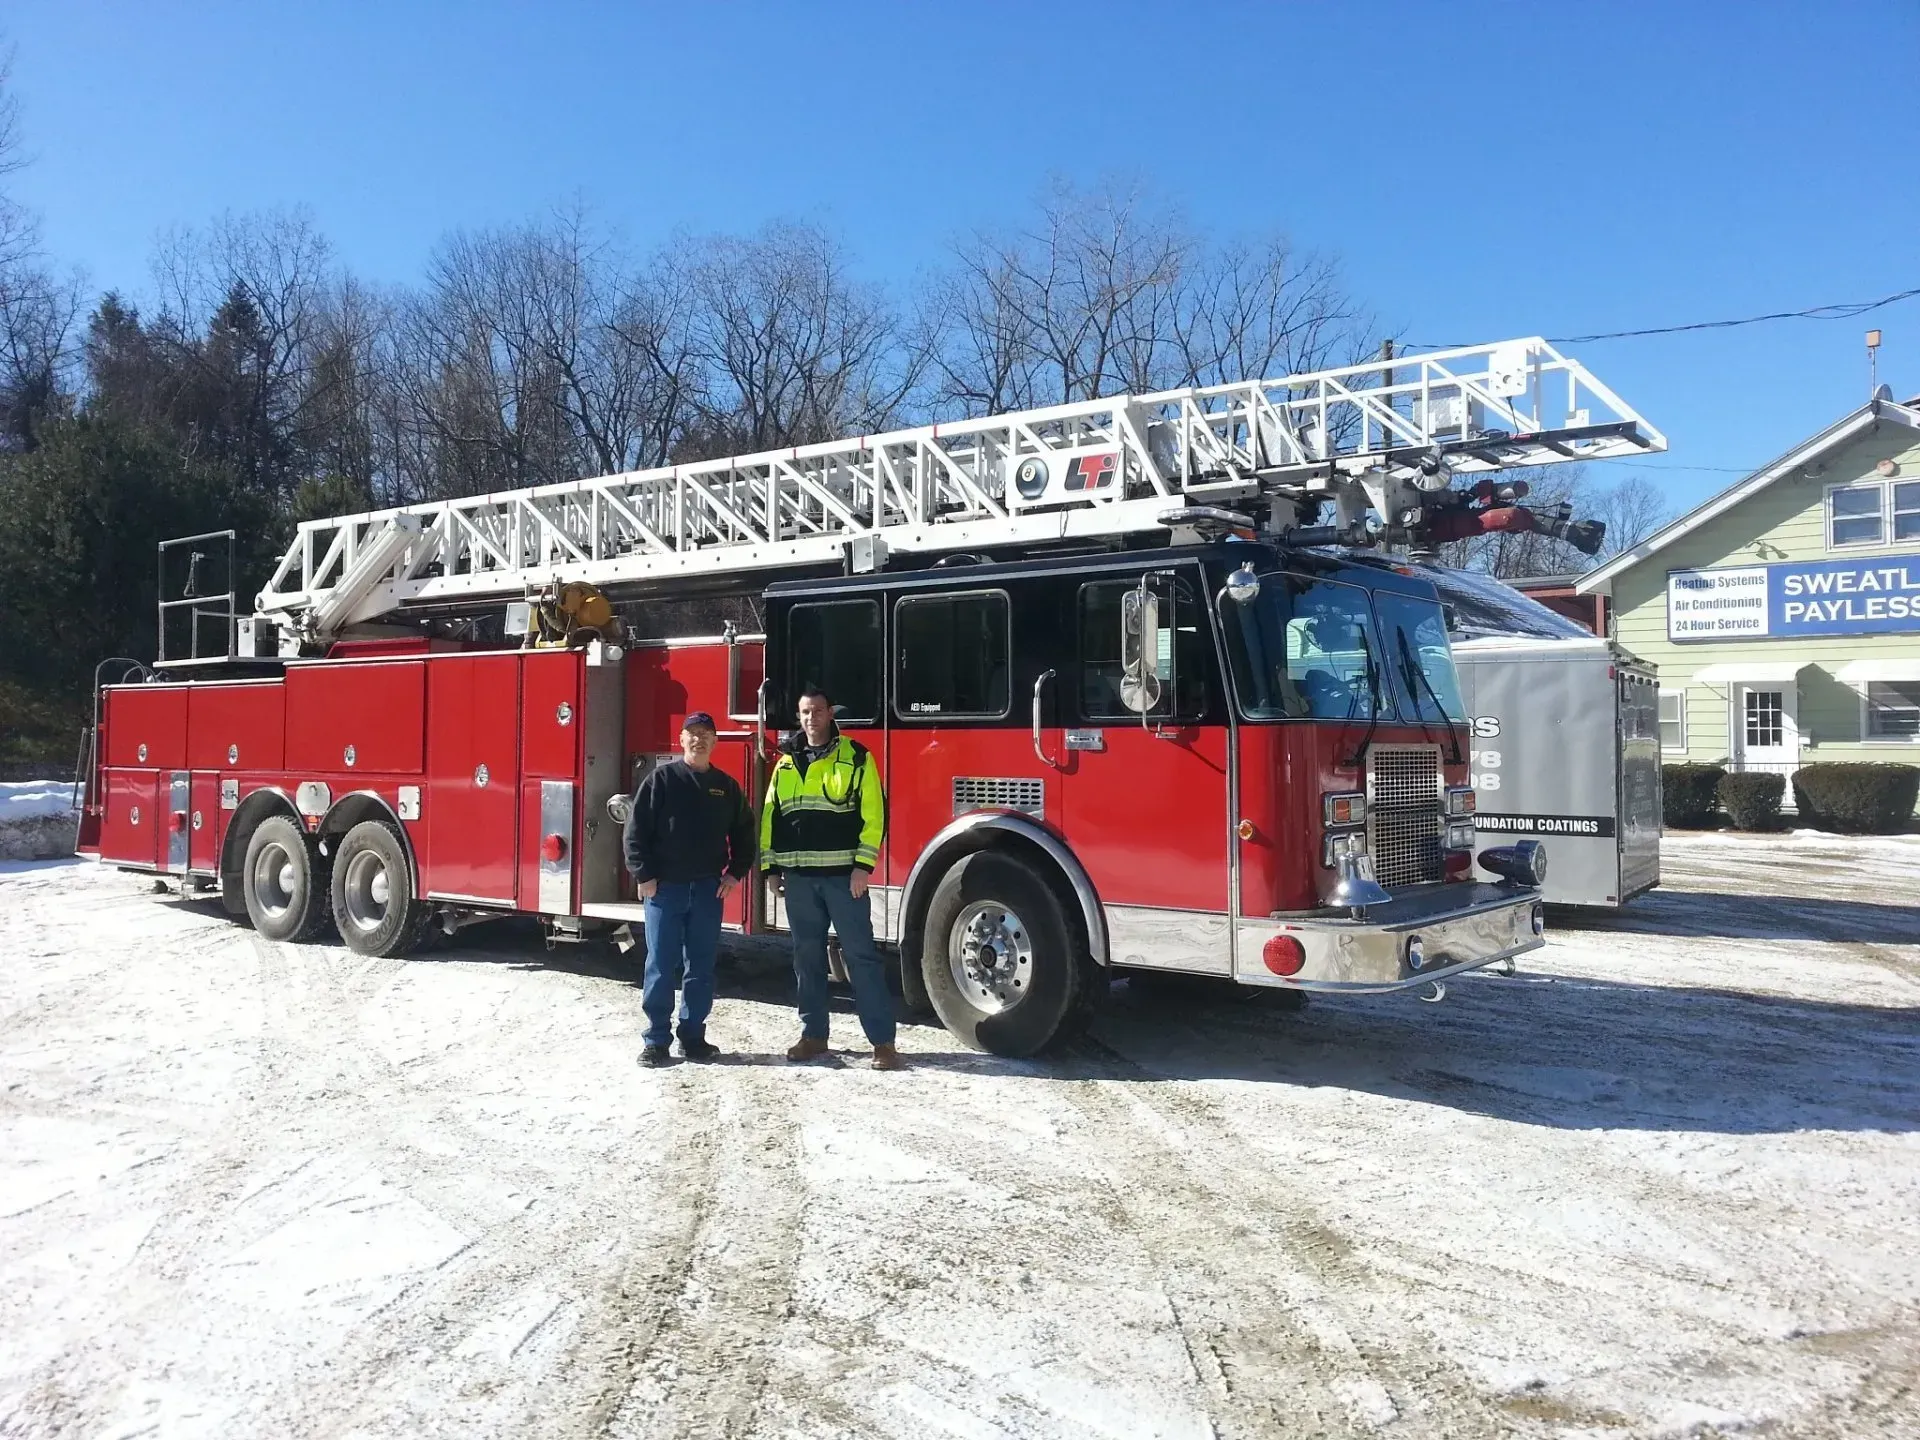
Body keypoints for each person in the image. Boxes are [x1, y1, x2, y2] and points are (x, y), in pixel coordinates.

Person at [761, 687, 902, 1071]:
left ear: (829, 714)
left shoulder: (856, 757)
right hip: (800, 881)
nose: (811, 719)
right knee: (806, 960)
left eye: (818, 711)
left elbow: (875, 814)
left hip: (844, 879)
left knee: (861, 958)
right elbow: (771, 816)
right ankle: (813, 1036)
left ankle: (882, 1043)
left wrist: (863, 867)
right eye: (805, 712)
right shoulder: (786, 763)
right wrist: (771, 869)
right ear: (799, 716)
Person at [624, 711, 756, 1066]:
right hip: (665, 889)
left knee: (700, 966)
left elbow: (746, 832)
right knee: (661, 964)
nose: (699, 739)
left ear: (715, 742)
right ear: (681, 740)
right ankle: (656, 1040)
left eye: (706, 734)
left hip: (708, 889)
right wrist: (644, 875)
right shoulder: (661, 780)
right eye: (692, 733)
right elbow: (635, 832)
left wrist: (735, 873)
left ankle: (693, 1036)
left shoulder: (725, 787)